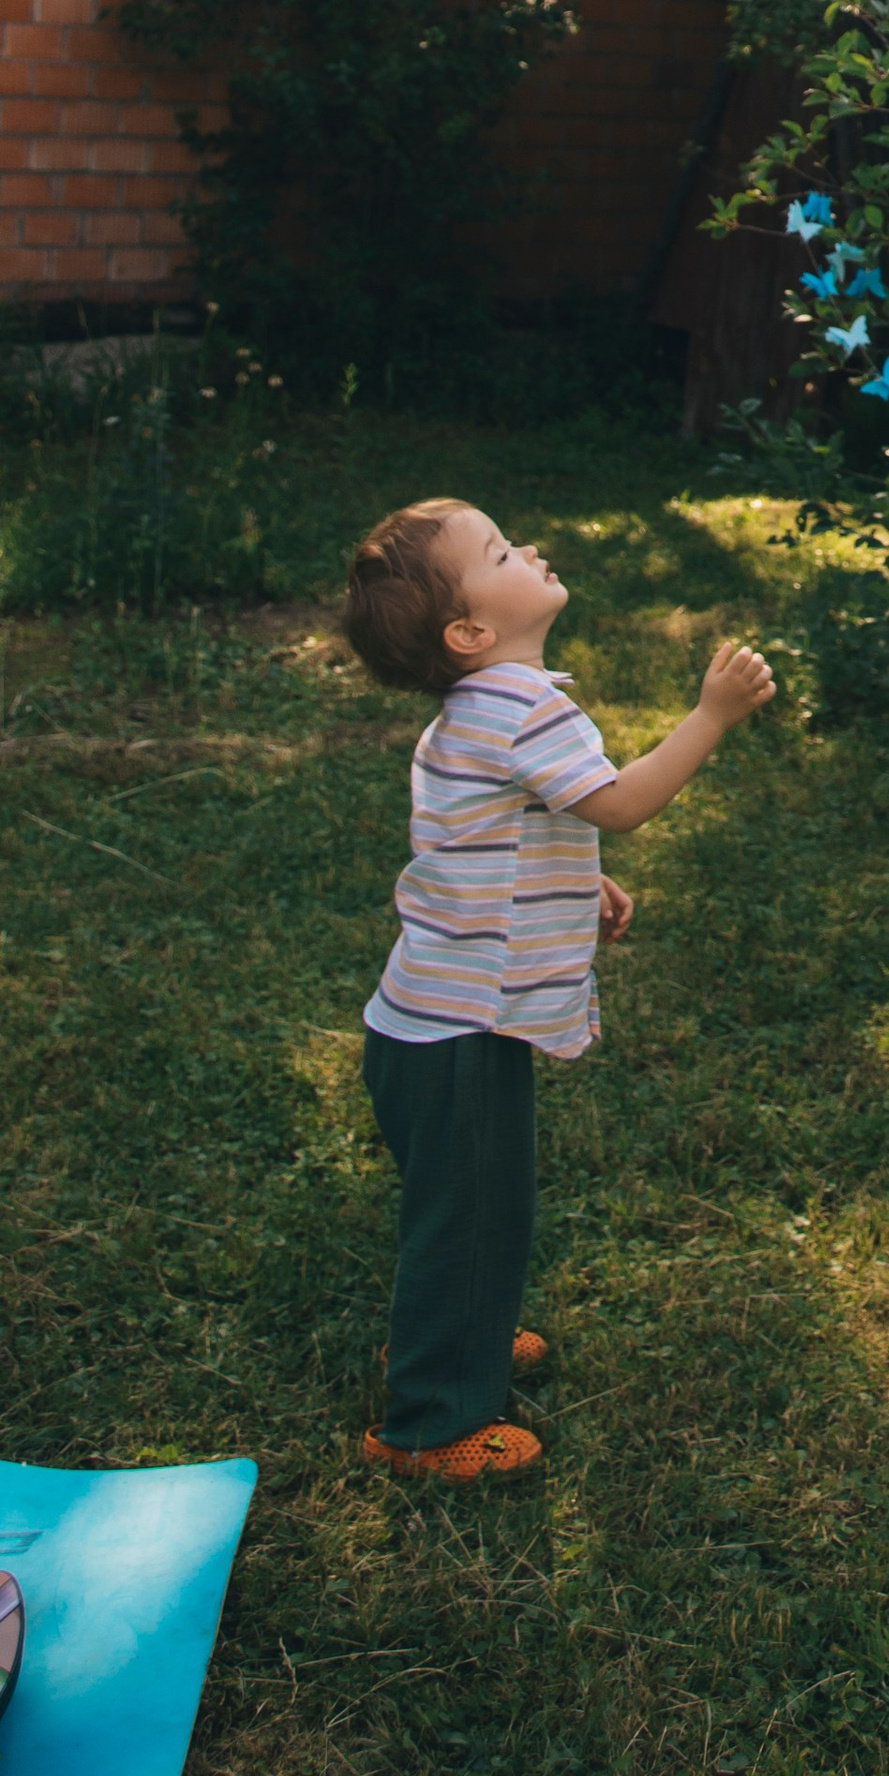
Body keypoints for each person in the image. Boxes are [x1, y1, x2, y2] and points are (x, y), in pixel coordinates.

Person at [341, 498, 775, 1488]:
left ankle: (458, 1335)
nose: (528, 548)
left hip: (428, 1025)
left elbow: (494, 834)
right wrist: (710, 716)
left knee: (469, 1208)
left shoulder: (480, 709)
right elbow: (617, 803)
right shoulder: (522, 706)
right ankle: (428, 1427)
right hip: (461, 1033)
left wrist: (581, 883)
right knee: (470, 1219)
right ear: (469, 633)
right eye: (500, 551)